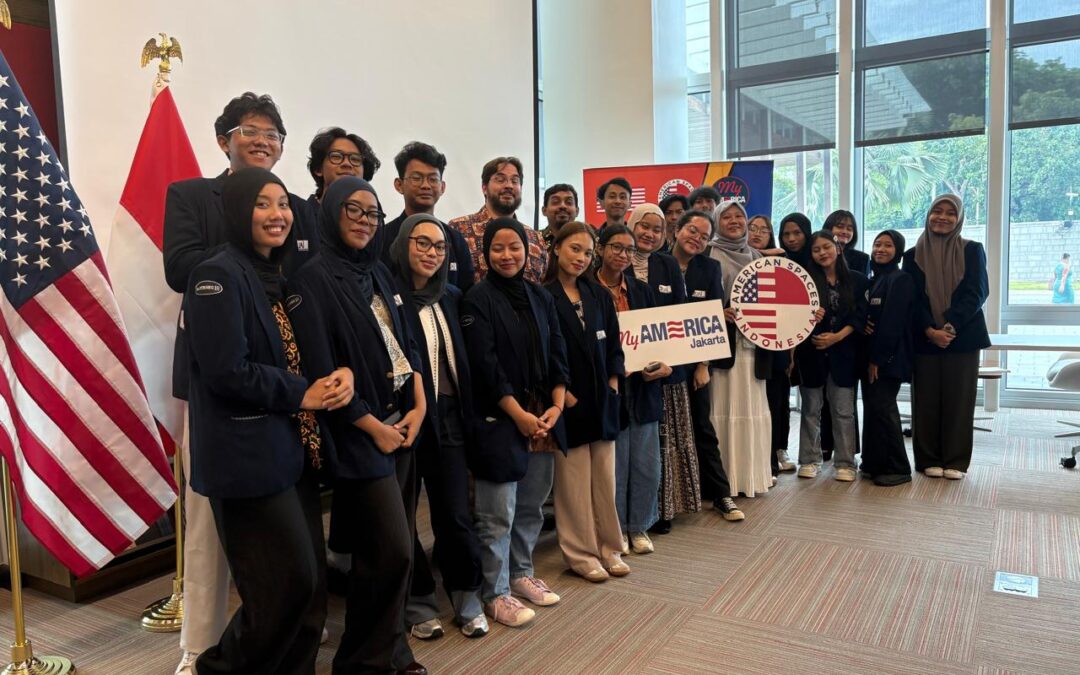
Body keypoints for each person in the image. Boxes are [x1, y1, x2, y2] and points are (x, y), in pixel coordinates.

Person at [162, 91, 321, 675]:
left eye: (274, 133)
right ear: (224, 137)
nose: (263, 140)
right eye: (250, 130)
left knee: (293, 571)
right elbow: (182, 270)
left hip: (284, 403)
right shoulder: (200, 219)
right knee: (223, 539)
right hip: (235, 398)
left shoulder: (295, 214)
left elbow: (305, 283)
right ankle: (199, 653)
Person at [184, 168, 351, 674]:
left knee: (307, 585)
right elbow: (226, 371)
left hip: (290, 448)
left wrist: (336, 375)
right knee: (280, 588)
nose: (278, 215)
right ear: (237, 211)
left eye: (283, 204)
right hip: (246, 457)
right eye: (262, 204)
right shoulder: (215, 275)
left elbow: (294, 352)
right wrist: (308, 393)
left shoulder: (275, 275)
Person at [287, 176, 428, 675]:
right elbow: (321, 373)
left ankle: (390, 652)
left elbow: (406, 346)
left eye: (373, 213)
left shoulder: (379, 274)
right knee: (390, 553)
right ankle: (363, 661)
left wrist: (419, 405)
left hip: (402, 421)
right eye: (354, 209)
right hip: (358, 434)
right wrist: (374, 427)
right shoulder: (310, 279)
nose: (365, 220)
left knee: (394, 552)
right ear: (329, 212)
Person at [460, 218, 569, 627]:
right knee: (496, 515)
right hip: (500, 418)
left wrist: (556, 406)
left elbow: (557, 350)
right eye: (498, 249)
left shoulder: (540, 297)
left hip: (542, 417)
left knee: (531, 508)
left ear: (528, 250)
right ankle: (496, 592)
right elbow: (485, 366)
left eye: (515, 248)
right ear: (486, 253)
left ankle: (522, 573)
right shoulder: (476, 300)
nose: (507, 256)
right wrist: (519, 415)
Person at [386, 214, 490, 640]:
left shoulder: (451, 295)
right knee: (403, 517)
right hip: (403, 419)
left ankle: (467, 596)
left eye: (439, 247)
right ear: (401, 246)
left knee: (454, 513)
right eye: (422, 243)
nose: (431, 253)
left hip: (448, 417)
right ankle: (419, 602)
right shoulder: (386, 296)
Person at [543, 222, 629, 581]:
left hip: (602, 399)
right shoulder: (543, 296)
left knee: (605, 480)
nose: (581, 257)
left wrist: (612, 385)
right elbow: (545, 352)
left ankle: (611, 548)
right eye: (574, 249)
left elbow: (614, 347)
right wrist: (564, 394)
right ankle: (581, 554)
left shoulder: (597, 294)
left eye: (587, 252)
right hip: (568, 403)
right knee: (574, 483)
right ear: (557, 248)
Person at [594, 225, 671, 551]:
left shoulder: (642, 291)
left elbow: (660, 338)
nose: (623, 255)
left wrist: (665, 365)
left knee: (645, 463)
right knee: (614, 466)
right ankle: (615, 530)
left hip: (642, 385)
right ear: (600, 249)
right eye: (616, 247)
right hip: (605, 388)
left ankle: (639, 526)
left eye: (628, 249)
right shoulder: (586, 290)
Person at [902, 194, 989, 480]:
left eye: (950, 213)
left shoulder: (972, 250)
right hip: (925, 339)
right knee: (925, 401)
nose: (942, 217)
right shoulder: (912, 256)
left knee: (959, 400)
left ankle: (955, 461)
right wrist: (930, 329)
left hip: (961, 338)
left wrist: (949, 328)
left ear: (959, 218)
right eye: (936, 211)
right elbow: (912, 299)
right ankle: (927, 458)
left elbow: (976, 293)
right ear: (927, 215)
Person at [627, 204, 703, 532]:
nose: (650, 234)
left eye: (657, 229)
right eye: (644, 226)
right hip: (629, 373)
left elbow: (681, 316)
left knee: (664, 446)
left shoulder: (667, 263)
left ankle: (662, 510)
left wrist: (670, 363)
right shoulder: (614, 262)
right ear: (631, 226)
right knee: (633, 451)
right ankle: (629, 516)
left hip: (666, 371)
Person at [669, 210, 745, 519]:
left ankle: (721, 495)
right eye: (692, 230)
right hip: (661, 363)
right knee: (665, 432)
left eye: (703, 235)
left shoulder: (709, 268)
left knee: (702, 426)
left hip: (695, 361)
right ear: (677, 230)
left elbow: (713, 318)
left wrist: (704, 364)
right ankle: (668, 504)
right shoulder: (658, 263)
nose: (696, 239)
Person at [706, 201, 775, 498]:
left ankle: (751, 478)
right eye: (727, 216)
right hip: (723, 350)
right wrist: (719, 312)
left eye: (740, 216)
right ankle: (724, 482)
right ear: (716, 221)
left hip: (755, 349)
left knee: (753, 409)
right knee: (722, 410)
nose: (734, 221)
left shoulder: (758, 256)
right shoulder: (708, 255)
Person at [796, 230, 869, 482]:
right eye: (816, 250)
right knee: (810, 409)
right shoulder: (803, 280)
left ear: (837, 248)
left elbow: (860, 317)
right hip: (811, 353)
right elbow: (792, 316)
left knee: (843, 410)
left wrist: (837, 336)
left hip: (844, 353)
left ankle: (846, 462)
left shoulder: (858, 280)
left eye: (826, 247)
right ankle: (809, 459)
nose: (822, 253)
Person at [381, 141, 475, 291]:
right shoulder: (382, 238)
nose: (425, 185)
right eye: (417, 178)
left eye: (433, 179)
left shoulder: (455, 240)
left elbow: (467, 293)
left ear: (442, 187)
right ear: (399, 185)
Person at [860, 230, 914, 486]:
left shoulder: (900, 279)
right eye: (877, 244)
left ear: (898, 250)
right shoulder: (877, 279)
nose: (880, 249)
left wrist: (877, 360)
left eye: (888, 245)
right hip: (873, 355)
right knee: (872, 409)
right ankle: (873, 462)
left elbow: (892, 323)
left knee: (884, 408)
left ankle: (898, 467)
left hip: (888, 358)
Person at [448, 156, 548, 283]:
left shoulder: (535, 238)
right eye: (500, 180)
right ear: (484, 188)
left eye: (515, 181)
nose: (509, 186)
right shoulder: (458, 229)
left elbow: (543, 288)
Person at [747, 214, 796, 474]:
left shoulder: (781, 262)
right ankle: (760, 458)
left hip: (775, 342)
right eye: (752, 228)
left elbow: (791, 308)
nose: (756, 233)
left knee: (777, 400)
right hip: (745, 346)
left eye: (763, 230)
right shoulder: (734, 259)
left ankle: (778, 450)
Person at [305, 126, 380, 204]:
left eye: (355, 159)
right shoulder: (297, 213)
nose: (347, 163)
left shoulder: (373, 215)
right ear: (318, 168)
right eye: (336, 157)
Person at [824, 209, 870, 276]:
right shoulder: (819, 254)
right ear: (828, 228)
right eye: (840, 227)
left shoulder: (862, 259)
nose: (844, 232)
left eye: (849, 229)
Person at [540, 183, 580, 247]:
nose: (562, 206)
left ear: (577, 211)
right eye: (555, 202)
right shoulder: (533, 240)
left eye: (569, 202)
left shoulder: (588, 240)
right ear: (544, 210)